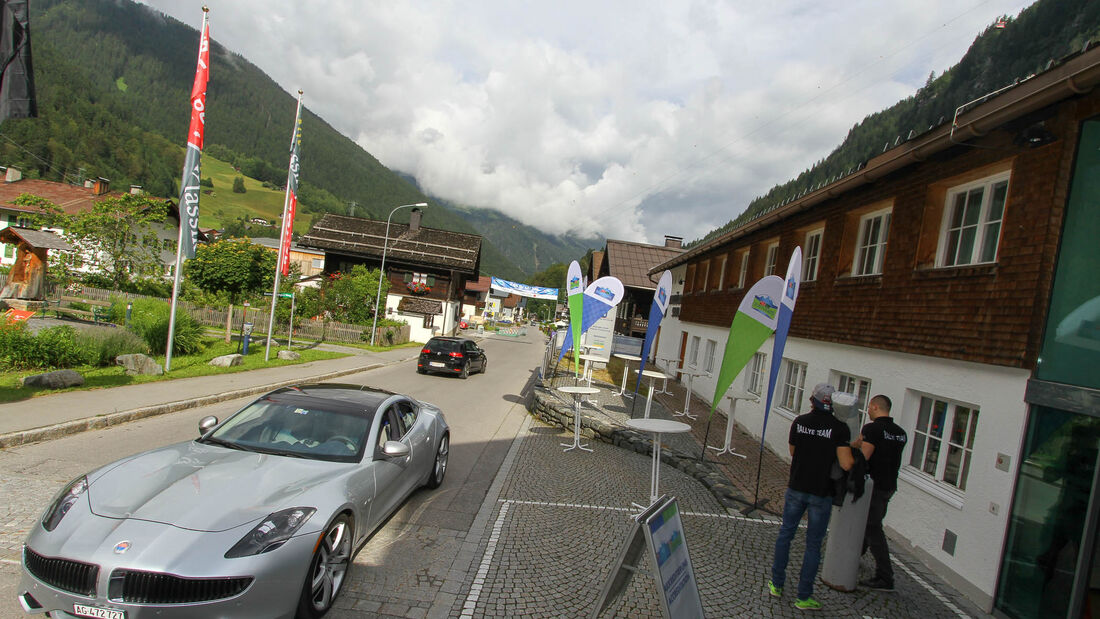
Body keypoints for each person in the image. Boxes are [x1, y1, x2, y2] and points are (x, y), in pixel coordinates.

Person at [770, 383, 854, 611]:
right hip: (822, 492)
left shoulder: (800, 422)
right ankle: (803, 596)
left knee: (786, 534)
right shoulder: (839, 428)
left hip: (797, 486)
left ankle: (776, 583)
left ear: (812, 400)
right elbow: (846, 463)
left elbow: (793, 451)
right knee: (813, 545)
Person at [854, 394, 907, 591]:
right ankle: (856, 553)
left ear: (875, 407)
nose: (867, 410)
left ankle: (885, 576)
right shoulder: (900, 433)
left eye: (869, 407)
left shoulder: (872, 429)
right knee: (871, 521)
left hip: (874, 485)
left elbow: (864, 457)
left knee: (873, 527)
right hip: (889, 485)